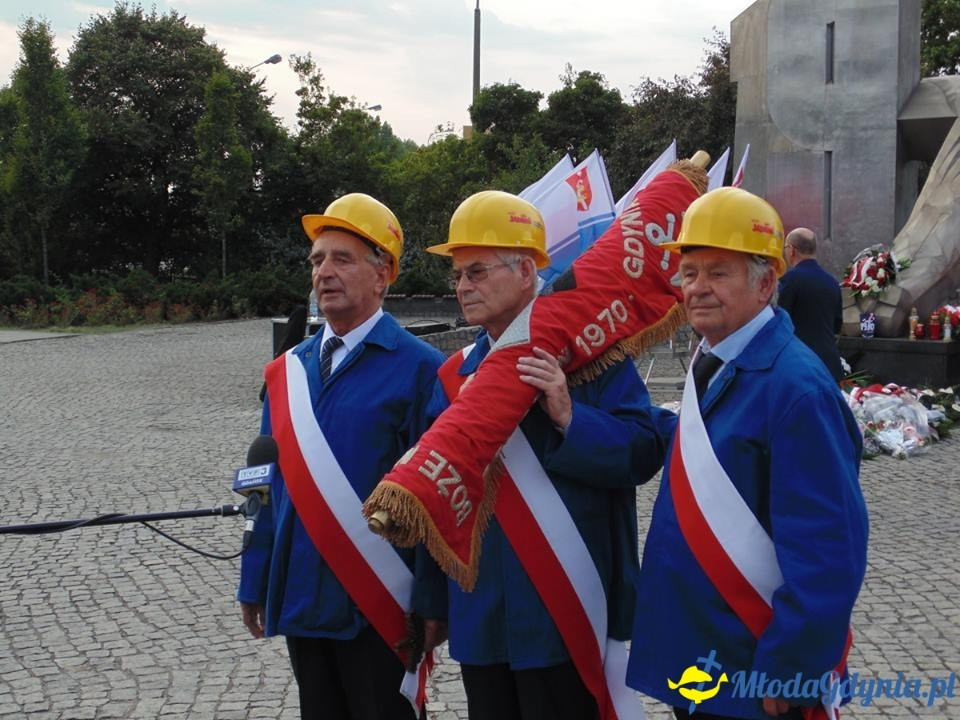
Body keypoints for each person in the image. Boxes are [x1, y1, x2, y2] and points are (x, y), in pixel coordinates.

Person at [625, 188, 868, 720]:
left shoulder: (796, 387)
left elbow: (829, 551)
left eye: (718, 272)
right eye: (689, 273)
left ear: (765, 283)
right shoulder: (715, 358)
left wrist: (792, 664)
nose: (698, 288)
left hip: (755, 671)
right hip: (705, 659)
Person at [425, 190, 668, 720]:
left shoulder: (597, 357)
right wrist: (430, 604)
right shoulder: (452, 377)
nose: (463, 286)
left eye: (477, 271)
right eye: (459, 274)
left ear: (526, 272)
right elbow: (431, 492)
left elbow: (644, 450)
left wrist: (569, 416)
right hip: (482, 617)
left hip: (565, 610)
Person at [238, 193, 447, 720]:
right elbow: (266, 484)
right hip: (303, 596)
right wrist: (255, 576)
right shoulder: (286, 371)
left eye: (342, 259)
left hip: (379, 605)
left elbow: (437, 502)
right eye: (316, 260)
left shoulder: (422, 371)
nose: (323, 272)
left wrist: (431, 601)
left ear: (384, 275)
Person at [778, 227, 844, 381]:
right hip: (830, 364)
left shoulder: (790, 280)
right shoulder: (832, 282)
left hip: (799, 364)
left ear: (791, 251)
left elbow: (780, 322)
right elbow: (837, 325)